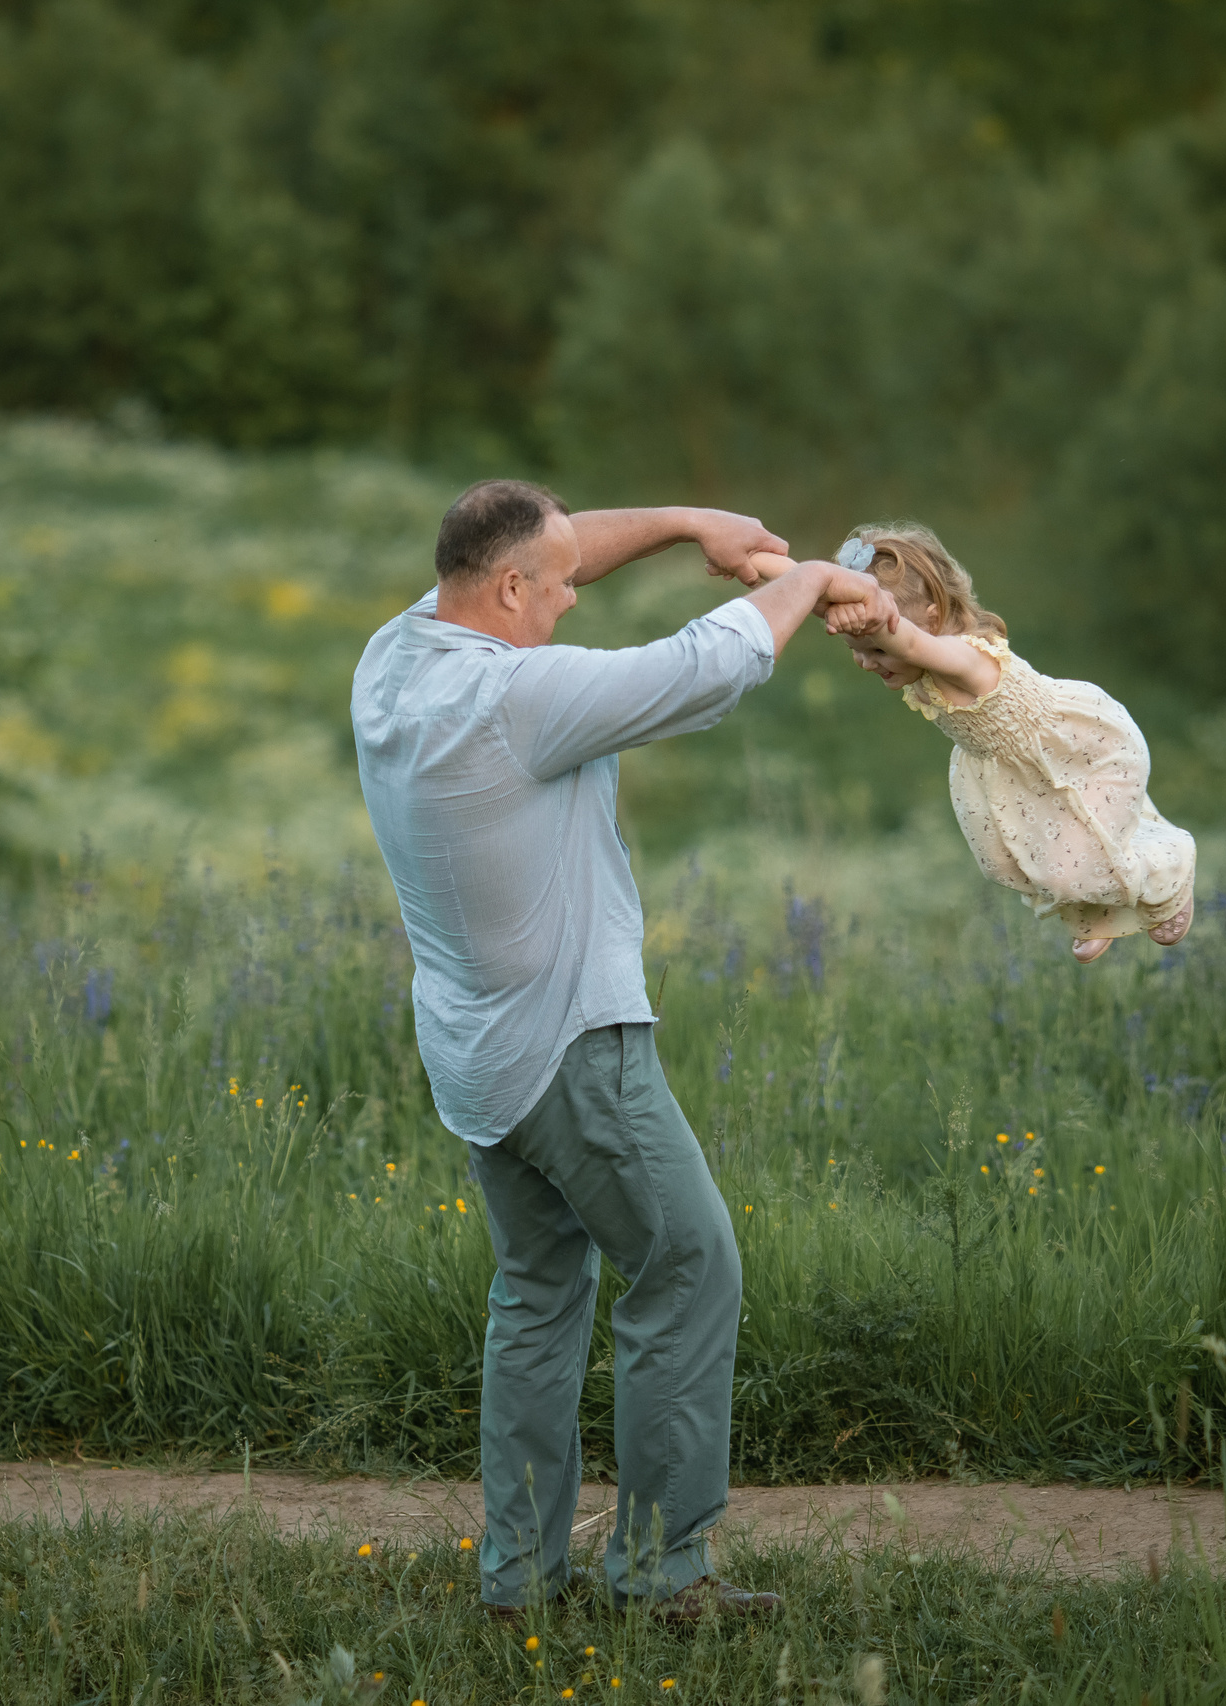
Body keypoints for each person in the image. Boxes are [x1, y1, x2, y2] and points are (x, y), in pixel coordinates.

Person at [350, 480, 894, 1623]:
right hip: (569, 1052)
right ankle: (662, 1571)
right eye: (550, 593)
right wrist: (813, 580)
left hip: (475, 1054)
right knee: (689, 1264)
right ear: (506, 590)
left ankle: (517, 1581)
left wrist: (693, 523)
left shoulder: (398, 656)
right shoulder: (518, 697)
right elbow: (706, 665)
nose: (566, 602)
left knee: (539, 1295)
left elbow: (562, 550)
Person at [785, 523, 1194, 959]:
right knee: (1008, 862)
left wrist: (872, 621)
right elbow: (806, 583)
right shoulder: (913, 644)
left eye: (876, 650)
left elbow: (900, 639)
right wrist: (752, 561)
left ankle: (1172, 869)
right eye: (857, 649)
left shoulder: (963, 656)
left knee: (1068, 865)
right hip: (1004, 763)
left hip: (1078, 747)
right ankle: (1097, 911)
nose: (867, 662)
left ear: (931, 619)